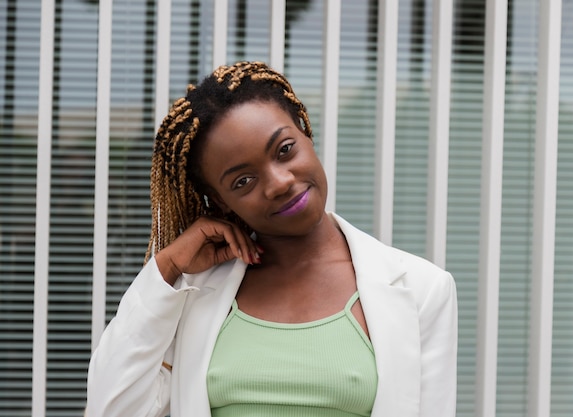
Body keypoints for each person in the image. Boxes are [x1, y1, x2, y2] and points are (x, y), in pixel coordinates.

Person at [85, 61, 458, 417]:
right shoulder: (192, 293)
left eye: (285, 150)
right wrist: (165, 267)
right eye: (242, 181)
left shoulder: (421, 289)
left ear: (305, 132)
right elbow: (112, 409)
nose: (279, 183)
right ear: (219, 200)